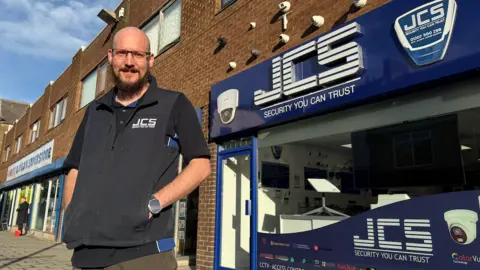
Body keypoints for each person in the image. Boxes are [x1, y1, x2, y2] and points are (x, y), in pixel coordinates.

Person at [62, 26, 211, 270]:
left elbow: (201, 165)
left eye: (138, 55)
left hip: (144, 255)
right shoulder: (95, 110)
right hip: (86, 255)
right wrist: (72, 214)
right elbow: (74, 168)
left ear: (150, 60)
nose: (129, 62)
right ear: (110, 57)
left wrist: (155, 203)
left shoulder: (173, 103)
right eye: (122, 53)